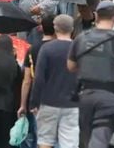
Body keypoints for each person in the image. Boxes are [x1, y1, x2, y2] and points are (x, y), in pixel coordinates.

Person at [67, 0, 114, 148]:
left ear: (96, 16)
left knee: (85, 140)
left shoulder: (81, 38)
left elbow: (71, 66)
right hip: (108, 97)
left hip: (84, 96)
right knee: (99, 140)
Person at [30, 15, 79, 148]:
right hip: (72, 104)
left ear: (55, 29)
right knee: (69, 143)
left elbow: (39, 78)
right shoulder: (79, 49)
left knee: (45, 141)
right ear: (72, 29)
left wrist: (34, 102)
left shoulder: (47, 49)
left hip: (48, 102)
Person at [17, 14, 56, 148]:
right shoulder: (62, 48)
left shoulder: (32, 50)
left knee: (37, 137)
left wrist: (23, 104)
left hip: (36, 100)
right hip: (57, 99)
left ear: (40, 28)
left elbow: (27, 80)